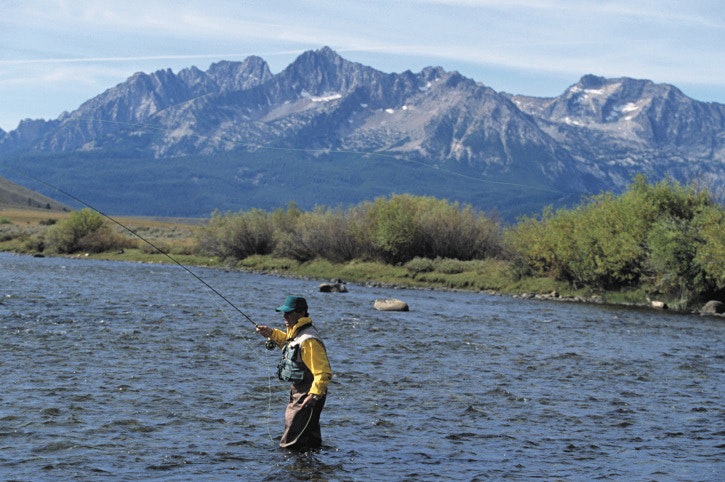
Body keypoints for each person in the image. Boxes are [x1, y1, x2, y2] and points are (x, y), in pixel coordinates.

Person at [256, 295, 332, 450]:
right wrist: (271, 333)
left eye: (288, 313)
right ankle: (311, 471)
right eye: (284, 313)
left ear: (301, 313)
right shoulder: (297, 333)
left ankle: (291, 471)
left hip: (308, 395)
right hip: (300, 391)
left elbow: (323, 371)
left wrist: (314, 395)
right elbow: (290, 345)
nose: (284, 316)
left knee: (290, 441)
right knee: (310, 440)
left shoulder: (309, 340)